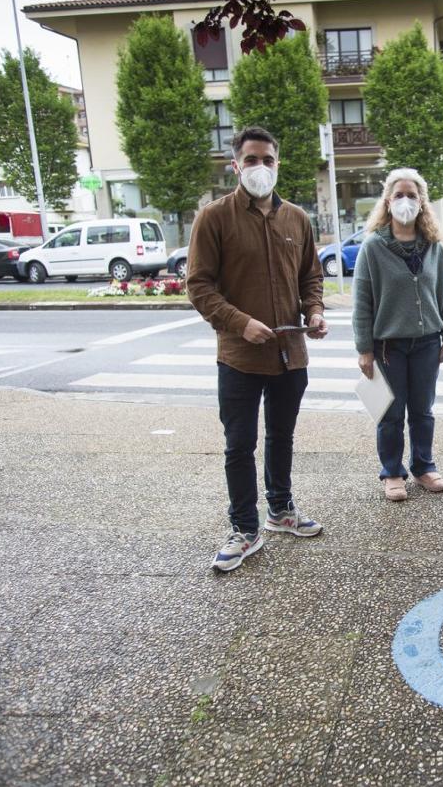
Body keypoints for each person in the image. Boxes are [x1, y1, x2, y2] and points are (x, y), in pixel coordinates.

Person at [187, 127, 329, 573]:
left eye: (267, 159)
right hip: (240, 357)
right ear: (235, 165)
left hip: (291, 353)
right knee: (239, 445)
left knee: (281, 437)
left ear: (278, 164)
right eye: (251, 160)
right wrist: (239, 323)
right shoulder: (215, 217)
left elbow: (310, 277)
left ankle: (280, 510)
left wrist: (316, 311)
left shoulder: (298, 220)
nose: (260, 167)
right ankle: (245, 529)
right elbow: (199, 286)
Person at [353, 168, 443, 502]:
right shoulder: (373, 247)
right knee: (390, 412)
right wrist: (364, 349)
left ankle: (424, 466)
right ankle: (392, 471)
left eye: (412, 195)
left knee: (423, 411)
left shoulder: (433, 247)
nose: (405, 201)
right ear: (387, 201)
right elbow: (362, 302)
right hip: (388, 347)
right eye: (399, 195)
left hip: (427, 342)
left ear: (423, 202)